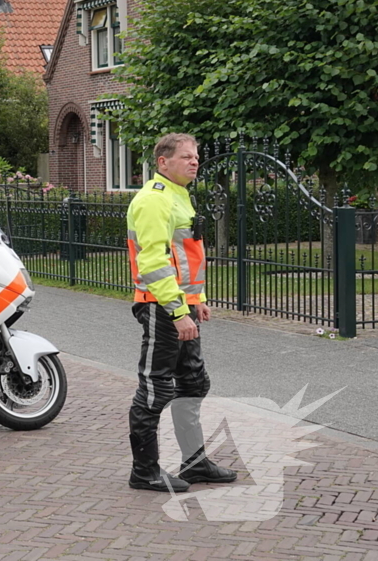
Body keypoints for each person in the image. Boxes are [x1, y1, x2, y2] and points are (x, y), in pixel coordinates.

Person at [125, 133, 237, 493]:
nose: (194, 162)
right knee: (155, 389)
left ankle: (194, 463)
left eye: (196, 157)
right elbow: (153, 261)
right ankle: (144, 472)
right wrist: (177, 311)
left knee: (192, 383)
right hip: (161, 306)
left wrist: (196, 298)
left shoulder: (178, 196)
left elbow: (183, 258)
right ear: (163, 162)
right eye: (186, 157)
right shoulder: (154, 201)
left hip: (179, 304)